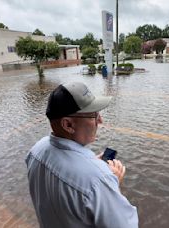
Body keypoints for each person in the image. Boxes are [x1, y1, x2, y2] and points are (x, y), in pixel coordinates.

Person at [26, 82, 138, 228]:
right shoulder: (98, 180)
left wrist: (91, 163)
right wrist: (111, 185)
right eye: (94, 115)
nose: (100, 120)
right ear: (68, 125)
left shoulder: (36, 151)